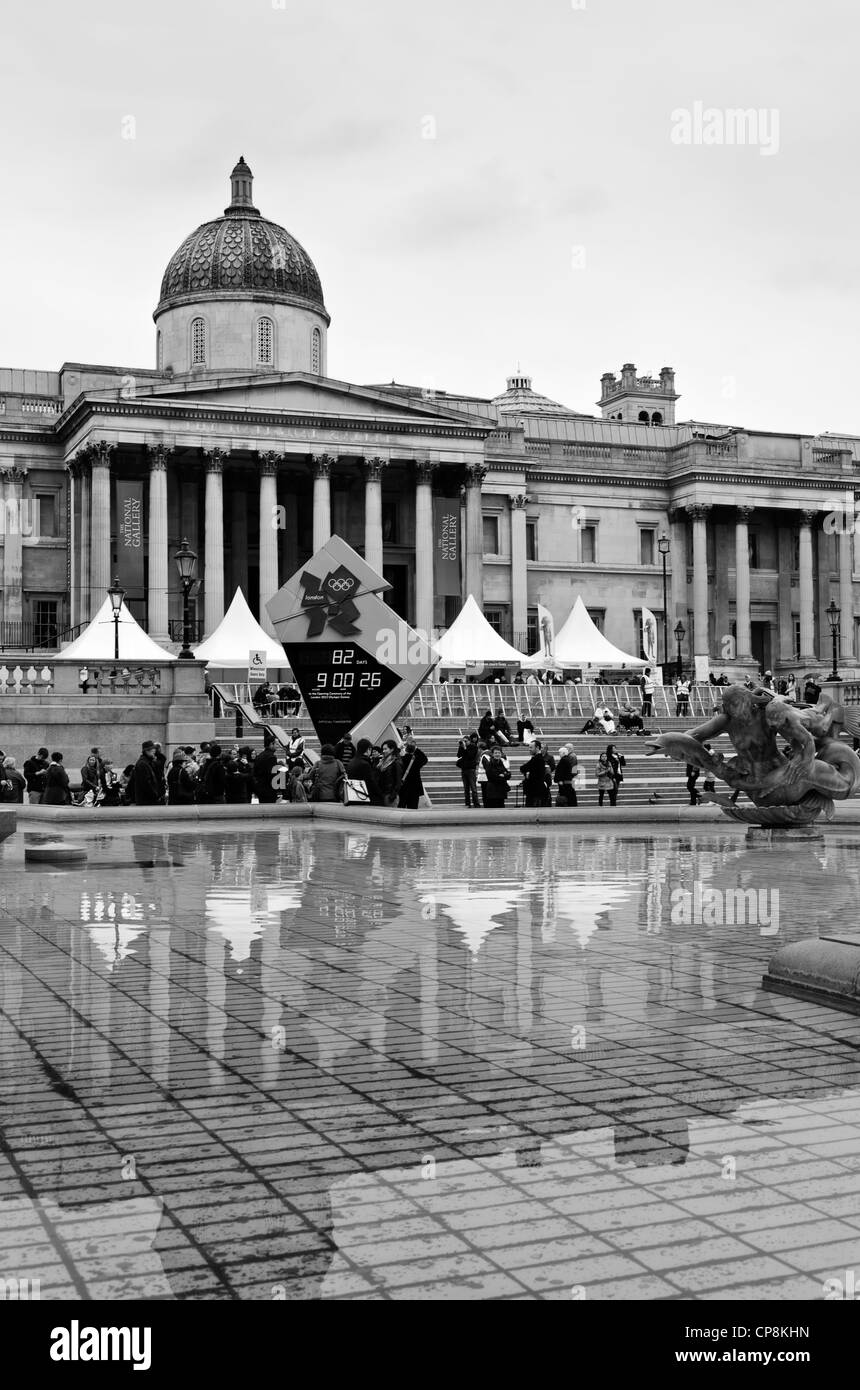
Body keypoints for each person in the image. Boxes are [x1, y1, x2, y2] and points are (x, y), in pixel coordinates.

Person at [346, 739, 385, 805]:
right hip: (363, 797)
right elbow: (371, 782)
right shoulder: (364, 764)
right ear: (368, 749)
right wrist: (380, 794)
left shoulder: (351, 762)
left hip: (352, 795)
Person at [132, 740, 166, 807]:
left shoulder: (148, 762)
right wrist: (156, 796)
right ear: (147, 751)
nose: (155, 751)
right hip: (147, 802)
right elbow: (147, 784)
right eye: (153, 749)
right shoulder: (143, 764)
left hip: (149, 801)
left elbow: (162, 760)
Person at [398, 736, 428, 810]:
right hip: (415, 787)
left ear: (406, 750)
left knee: (401, 806)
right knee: (413, 808)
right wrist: (415, 747)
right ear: (413, 750)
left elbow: (394, 757)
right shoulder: (417, 761)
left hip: (403, 787)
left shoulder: (401, 760)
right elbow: (425, 759)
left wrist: (399, 748)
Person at [456, 731, 481, 808]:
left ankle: (476, 804)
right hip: (464, 769)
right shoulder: (463, 747)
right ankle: (467, 804)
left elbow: (470, 756)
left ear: (469, 741)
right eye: (464, 741)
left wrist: (465, 748)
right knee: (466, 788)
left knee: (473, 788)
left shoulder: (473, 747)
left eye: (466, 741)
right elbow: (458, 755)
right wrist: (461, 747)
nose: (464, 742)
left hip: (471, 769)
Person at [253, 738, 280, 804]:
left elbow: (255, 772)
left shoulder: (260, 755)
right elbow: (272, 775)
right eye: (276, 744)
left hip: (260, 788)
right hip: (269, 789)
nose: (278, 746)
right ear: (271, 744)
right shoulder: (271, 757)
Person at [377, 740, 403, 807]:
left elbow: (398, 781)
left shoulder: (396, 762)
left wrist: (392, 796)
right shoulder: (383, 761)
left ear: (392, 749)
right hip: (383, 794)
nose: (383, 751)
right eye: (383, 749)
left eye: (385, 749)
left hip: (390, 796)